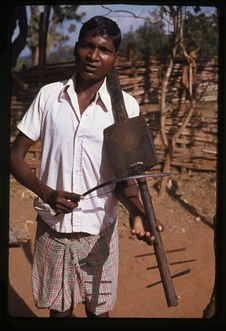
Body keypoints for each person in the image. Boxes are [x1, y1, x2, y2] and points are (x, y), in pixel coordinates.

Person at [10, 16, 154, 318]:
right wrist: (47, 193)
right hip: (54, 230)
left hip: (99, 231)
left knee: (97, 312)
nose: (93, 56)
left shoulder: (125, 107)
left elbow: (125, 179)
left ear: (115, 58)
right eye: (87, 46)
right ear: (76, 48)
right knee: (59, 313)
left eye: (104, 49)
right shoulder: (50, 96)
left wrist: (139, 213)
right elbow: (14, 157)